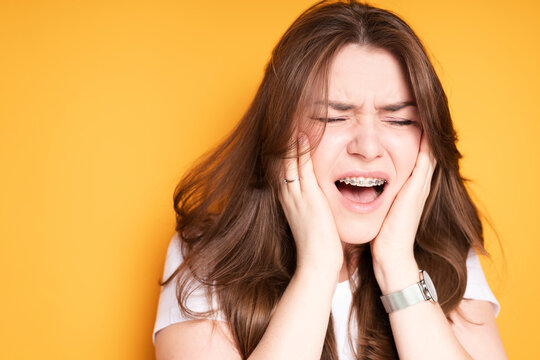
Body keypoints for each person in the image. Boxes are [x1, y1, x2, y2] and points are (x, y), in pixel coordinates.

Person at [153, 1, 507, 359]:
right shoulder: (207, 258)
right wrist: (317, 267)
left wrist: (397, 265)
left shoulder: (446, 255)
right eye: (332, 118)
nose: (368, 148)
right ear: (280, 132)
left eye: (399, 121)